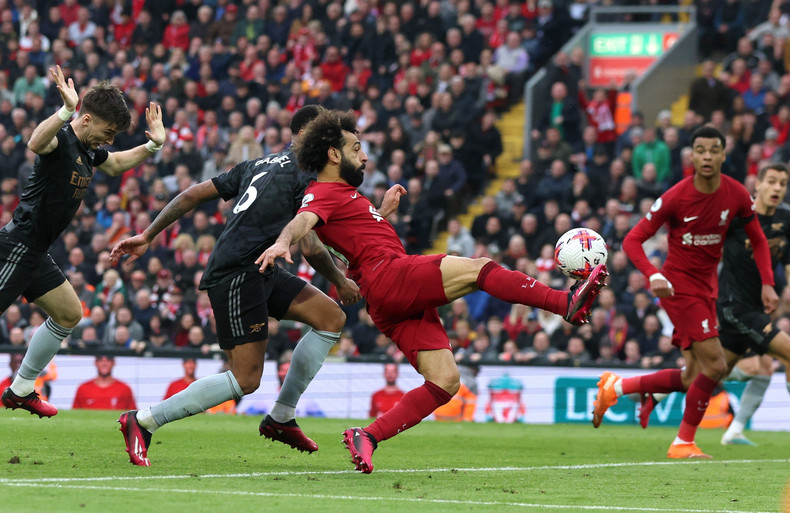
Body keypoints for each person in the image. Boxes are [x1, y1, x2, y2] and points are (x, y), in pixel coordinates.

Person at [256, 110, 608, 473]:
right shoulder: (323, 192)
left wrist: (381, 213)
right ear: (333, 154)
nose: (364, 156)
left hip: (385, 297)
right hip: (390, 276)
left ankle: (368, 436)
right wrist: (283, 242)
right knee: (479, 268)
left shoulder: (347, 196)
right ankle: (564, 302)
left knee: (445, 381)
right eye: (356, 148)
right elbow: (304, 221)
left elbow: (353, 240)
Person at [110, 105, 362, 466]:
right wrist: (340, 279)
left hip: (261, 268)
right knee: (245, 379)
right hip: (237, 275)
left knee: (330, 318)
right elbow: (308, 243)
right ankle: (143, 421)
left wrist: (149, 234)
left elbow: (192, 194)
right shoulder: (307, 176)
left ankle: (281, 417)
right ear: (317, 139)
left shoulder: (258, 164)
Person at [592, 126, 778, 459]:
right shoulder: (676, 196)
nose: (707, 156)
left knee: (693, 375)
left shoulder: (735, 194)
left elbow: (760, 239)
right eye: (700, 150)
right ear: (691, 155)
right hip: (678, 288)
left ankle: (616, 388)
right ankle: (683, 442)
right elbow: (632, 240)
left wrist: (767, 282)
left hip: (708, 290)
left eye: (714, 150)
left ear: (723, 154)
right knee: (717, 364)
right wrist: (653, 274)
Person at [1, 66, 166, 418]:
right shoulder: (62, 140)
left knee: (69, 313)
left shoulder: (90, 150)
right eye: (108, 131)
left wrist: (153, 145)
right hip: (16, 247)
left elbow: (117, 163)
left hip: (36, 253)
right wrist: (64, 111)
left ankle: (21, 389)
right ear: (87, 119)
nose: (109, 140)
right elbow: (35, 142)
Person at [640, 163, 790, 445]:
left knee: (709, 372)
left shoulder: (786, 219)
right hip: (733, 306)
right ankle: (721, 431)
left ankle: (659, 393)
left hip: (758, 308)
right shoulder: (737, 215)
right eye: (772, 181)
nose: (778, 188)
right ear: (757, 185)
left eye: (783, 183)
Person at [72, 355, 137, 410]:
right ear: (95, 363)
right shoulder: (83, 388)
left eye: (108, 360)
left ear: (113, 363)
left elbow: (133, 417)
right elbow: (74, 416)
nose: (104, 364)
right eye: (100, 360)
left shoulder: (124, 389)